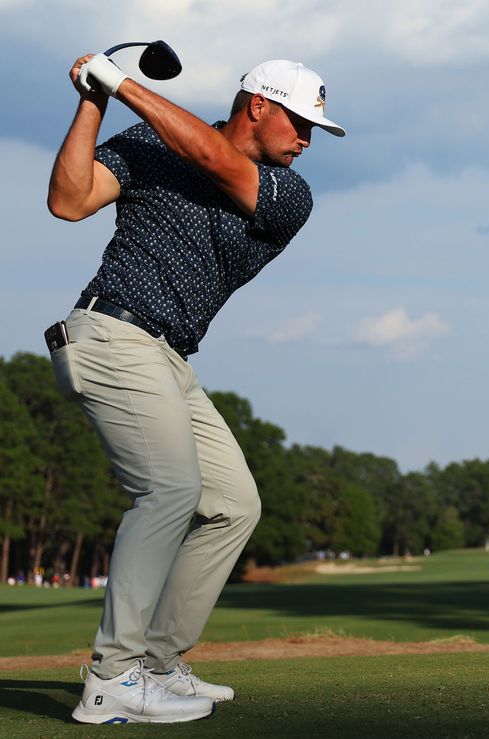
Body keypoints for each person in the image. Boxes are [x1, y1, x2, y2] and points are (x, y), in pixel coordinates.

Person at [47, 52, 344, 725]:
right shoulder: (151, 142)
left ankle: (156, 664)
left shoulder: (288, 195)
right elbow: (68, 201)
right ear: (259, 105)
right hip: (111, 333)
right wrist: (93, 100)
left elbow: (213, 158)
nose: (305, 140)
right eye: (300, 123)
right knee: (172, 490)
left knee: (235, 502)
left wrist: (121, 82)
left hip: (170, 359)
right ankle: (111, 677)